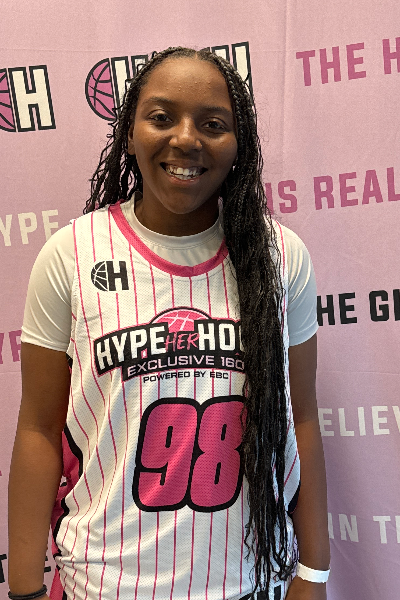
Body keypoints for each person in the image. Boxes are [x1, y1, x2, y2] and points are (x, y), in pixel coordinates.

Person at [8, 47, 330, 600]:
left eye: (213, 124)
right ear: (129, 133)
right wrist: (23, 588)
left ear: (239, 144)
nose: (186, 139)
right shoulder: (71, 255)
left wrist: (314, 572)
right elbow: (38, 429)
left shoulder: (280, 257)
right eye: (161, 117)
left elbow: (299, 419)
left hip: (247, 582)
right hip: (101, 584)